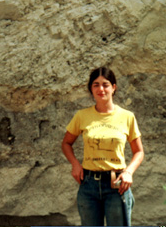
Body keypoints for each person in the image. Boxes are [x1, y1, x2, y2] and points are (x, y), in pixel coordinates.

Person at [61, 66, 144, 226]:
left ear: (113, 87)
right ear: (91, 89)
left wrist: (129, 172)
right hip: (88, 185)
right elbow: (66, 143)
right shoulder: (82, 116)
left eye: (105, 84)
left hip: (117, 185)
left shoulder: (127, 117)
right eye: (96, 85)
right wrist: (75, 165)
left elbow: (139, 152)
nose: (101, 89)